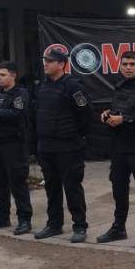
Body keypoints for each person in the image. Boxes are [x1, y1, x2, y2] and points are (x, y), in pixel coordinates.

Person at [97, 50, 135, 251]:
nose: (128, 67)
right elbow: (118, 109)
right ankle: (118, 228)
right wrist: (108, 114)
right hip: (119, 147)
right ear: (120, 66)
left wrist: (124, 119)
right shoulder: (119, 86)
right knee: (119, 189)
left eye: (132, 64)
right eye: (125, 64)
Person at [34, 47, 93, 242]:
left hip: (68, 146)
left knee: (72, 187)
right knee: (52, 188)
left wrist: (76, 135)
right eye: (45, 60)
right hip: (47, 145)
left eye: (50, 61)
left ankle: (80, 226)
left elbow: (86, 114)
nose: (46, 64)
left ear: (61, 64)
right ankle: (54, 224)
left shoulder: (73, 86)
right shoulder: (43, 86)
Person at [0, 61, 33, 236]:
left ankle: (24, 219)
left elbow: (17, 114)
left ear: (13, 75)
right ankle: (1, 217)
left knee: (18, 183)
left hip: (14, 144)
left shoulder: (20, 93)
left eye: (3, 75)